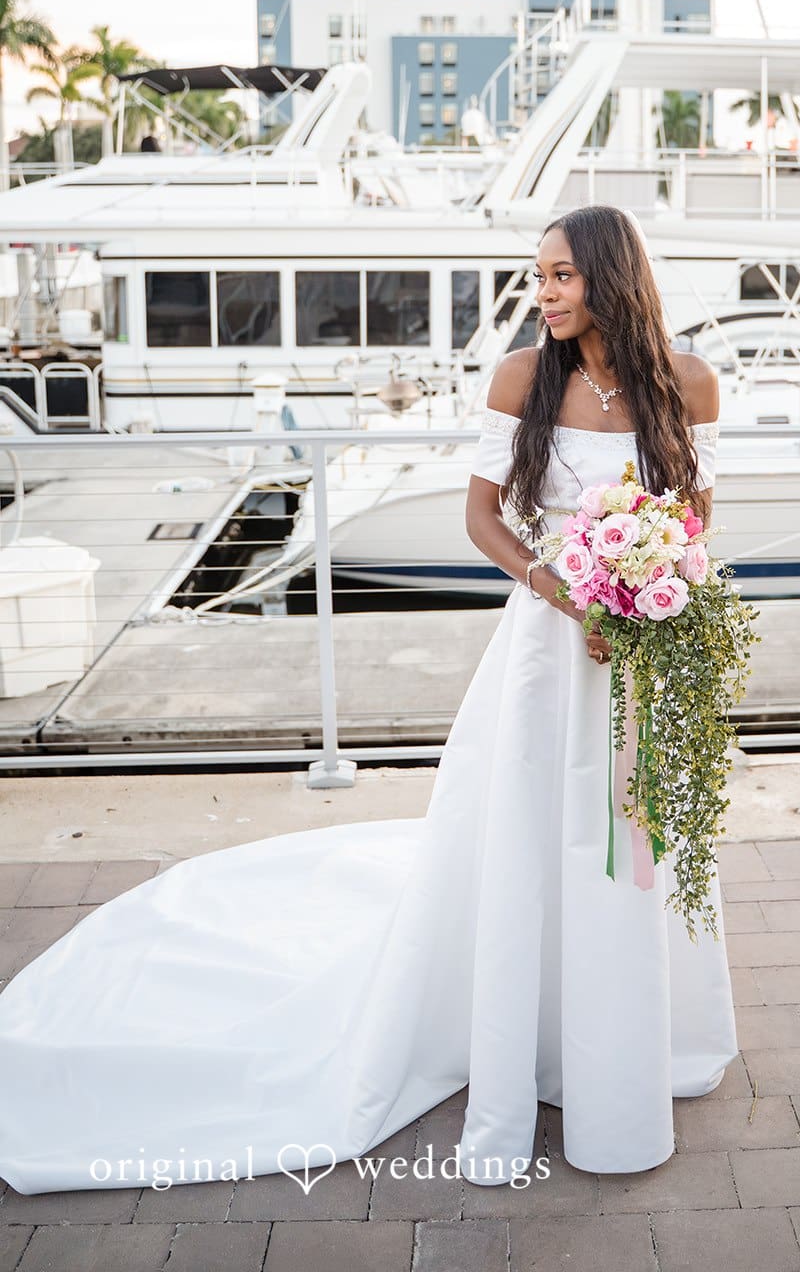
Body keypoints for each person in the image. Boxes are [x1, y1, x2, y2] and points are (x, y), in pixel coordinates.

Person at [0, 204, 737, 1196]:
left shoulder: (689, 384)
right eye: (539, 276)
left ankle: (622, 1042)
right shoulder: (521, 376)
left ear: (610, 275)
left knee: (627, 829)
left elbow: (690, 516)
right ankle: (523, 1036)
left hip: (643, 647)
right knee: (529, 835)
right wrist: (565, 590)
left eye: (560, 275)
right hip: (543, 645)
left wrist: (654, 595)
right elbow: (482, 519)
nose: (544, 294)